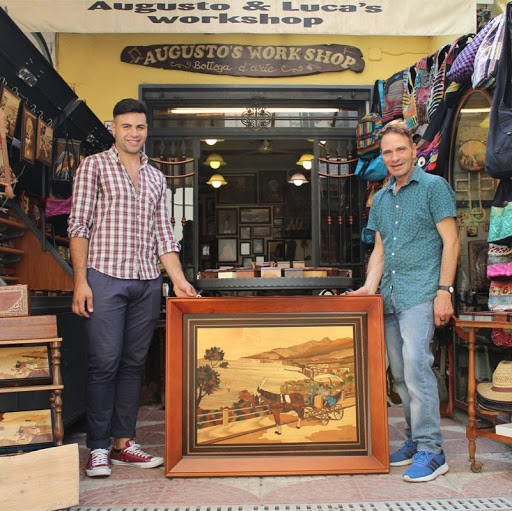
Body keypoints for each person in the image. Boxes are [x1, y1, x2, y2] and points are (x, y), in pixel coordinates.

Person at [68, 98, 196, 478]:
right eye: (126, 126)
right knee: (103, 363)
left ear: (146, 130)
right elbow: (78, 227)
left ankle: (124, 443)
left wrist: (179, 280)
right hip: (104, 277)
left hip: (146, 282)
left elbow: (163, 236)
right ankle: (97, 448)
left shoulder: (157, 177)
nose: (134, 133)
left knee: (132, 365)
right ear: (114, 128)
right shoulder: (93, 167)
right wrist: (80, 282)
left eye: (139, 127)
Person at [348, 119, 459, 483]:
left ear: (414, 151)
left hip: (421, 293)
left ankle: (432, 450)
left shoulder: (433, 187)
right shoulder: (380, 197)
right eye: (387, 152)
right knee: (399, 375)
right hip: (390, 297)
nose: (394, 157)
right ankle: (413, 440)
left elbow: (452, 242)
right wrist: (368, 287)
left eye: (400, 149)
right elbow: (379, 249)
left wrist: (445, 291)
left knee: (416, 368)